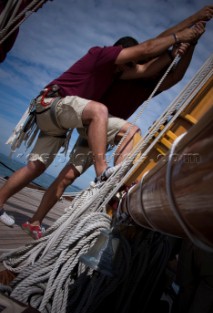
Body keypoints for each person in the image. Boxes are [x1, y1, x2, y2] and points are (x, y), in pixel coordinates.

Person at [0, 6, 212, 234]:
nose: (131, 65)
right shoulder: (113, 64)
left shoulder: (147, 82)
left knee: (62, 176)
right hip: (89, 117)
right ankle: (108, 176)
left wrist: (190, 45)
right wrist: (186, 29)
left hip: (100, 128)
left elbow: (175, 75)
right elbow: (150, 47)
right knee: (129, 128)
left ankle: (35, 221)